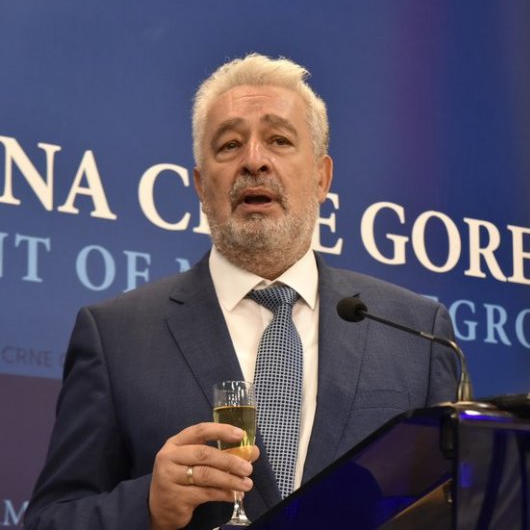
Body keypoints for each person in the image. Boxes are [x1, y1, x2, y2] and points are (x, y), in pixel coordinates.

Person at [24, 53, 458, 530]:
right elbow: (49, 520)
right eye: (229, 145)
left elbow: (459, 505)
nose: (254, 160)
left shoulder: (416, 332)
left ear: (322, 178)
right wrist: (147, 505)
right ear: (200, 185)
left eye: (279, 140)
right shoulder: (116, 336)